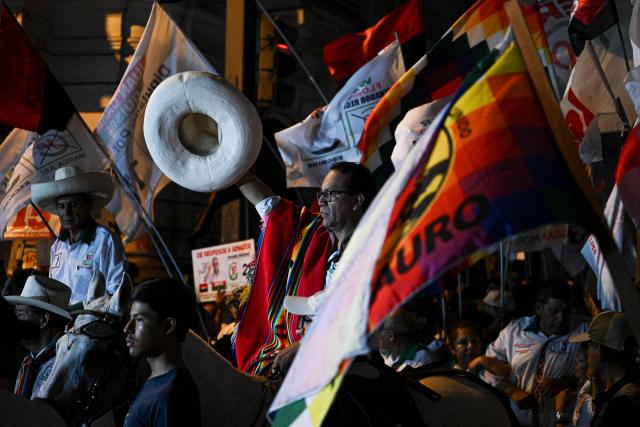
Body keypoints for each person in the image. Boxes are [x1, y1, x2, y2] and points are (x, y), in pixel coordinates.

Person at [234, 162, 375, 374]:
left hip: (348, 363)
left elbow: (358, 317)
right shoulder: (311, 232)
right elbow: (269, 205)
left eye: (331, 194)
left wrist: (306, 346)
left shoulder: (373, 248)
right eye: (321, 193)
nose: (321, 202)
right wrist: (229, 164)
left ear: (357, 200)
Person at [468, 281, 588, 426]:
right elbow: (485, 368)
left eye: (566, 311)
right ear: (538, 308)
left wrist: (566, 383)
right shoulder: (515, 331)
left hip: (561, 422)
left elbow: (598, 371)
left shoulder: (584, 329)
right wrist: (510, 390)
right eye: (554, 311)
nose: (561, 318)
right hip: (518, 422)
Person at [31, 166, 127, 306]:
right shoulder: (58, 246)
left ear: (88, 206)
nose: (67, 212)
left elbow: (116, 290)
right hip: (61, 322)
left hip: (92, 322)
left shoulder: (105, 240)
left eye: (73, 204)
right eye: (61, 206)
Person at [123, 278, 201, 427]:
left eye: (139, 320)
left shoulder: (173, 395)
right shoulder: (157, 383)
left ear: (169, 326)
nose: (127, 328)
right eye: (130, 319)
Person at [5, 275, 72, 399]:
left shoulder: (63, 368)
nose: (15, 321)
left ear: (44, 320)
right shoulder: (29, 361)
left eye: (20, 312)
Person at [569, 311, 640, 427]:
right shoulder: (627, 390)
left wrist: (559, 416)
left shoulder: (621, 407)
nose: (586, 352)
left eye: (589, 346)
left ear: (601, 351)